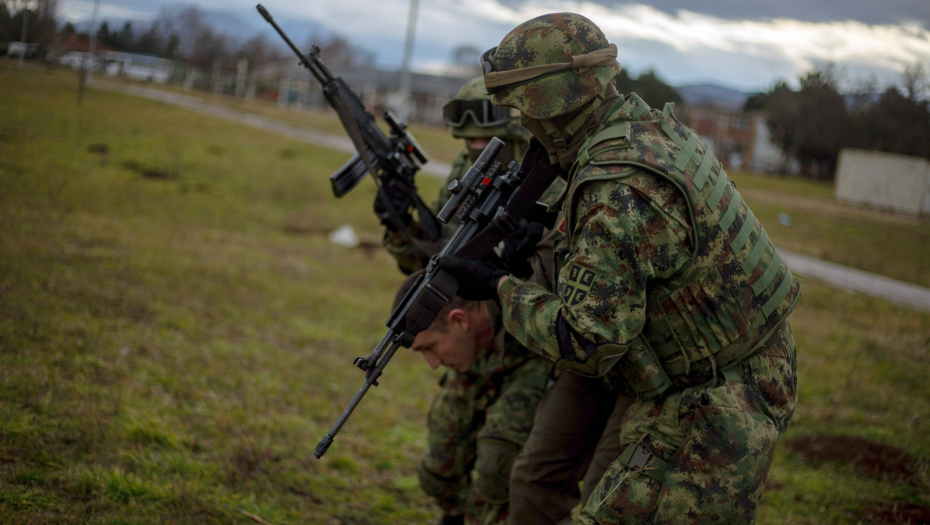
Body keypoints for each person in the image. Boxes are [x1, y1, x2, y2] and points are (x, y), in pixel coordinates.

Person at [438, 12, 801, 524]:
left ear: (549, 100)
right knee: (540, 481)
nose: (520, 122)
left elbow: (589, 340)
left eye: (521, 105)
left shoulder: (617, 184)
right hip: (674, 365)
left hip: (717, 394)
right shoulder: (645, 128)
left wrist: (499, 287)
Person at [393, 272, 554, 525]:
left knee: (496, 463)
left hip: (536, 358)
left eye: (430, 348)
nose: (433, 364)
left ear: (459, 321)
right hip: (481, 356)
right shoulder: (466, 332)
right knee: (437, 469)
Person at [378, 76, 532, 275]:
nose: (477, 151)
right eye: (470, 141)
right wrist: (398, 224)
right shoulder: (465, 167)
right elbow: (429, 256)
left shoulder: (542, 180)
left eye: (487, 140)